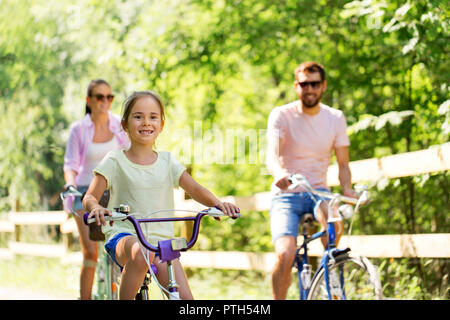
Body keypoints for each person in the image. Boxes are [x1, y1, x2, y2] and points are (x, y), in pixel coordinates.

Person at [82, 90, 240, 300]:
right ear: (125, 125)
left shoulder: (167, 161)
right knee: (142, 254)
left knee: (186, 301)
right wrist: (97, 208)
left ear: (161, 125)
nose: (146, 122)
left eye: (153, 117)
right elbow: (89, 197)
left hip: (161, 244)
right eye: (138, 116)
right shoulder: (115, 161)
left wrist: (218, 204)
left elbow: (194, 189)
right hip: (124, 237)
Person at [266, 61, 356, 300]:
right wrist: (279, 174)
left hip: (319, 192)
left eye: (315, 84)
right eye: (304, 84)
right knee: (285, 254)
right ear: (297, 86)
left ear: (323, 86)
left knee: (334, 241)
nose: (309, 89)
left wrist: (347, 189)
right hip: (286, 194)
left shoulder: (335, 118)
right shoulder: (281, 115)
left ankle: (334, 293)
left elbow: (344, 164)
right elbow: (272, 155)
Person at [63, 79, 130, 300]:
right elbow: (71, 165)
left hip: (115, 191)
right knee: (91, 252)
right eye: (99, 97)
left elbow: (131, 154)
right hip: (84, 191)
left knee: (120, 249)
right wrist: (70, 185)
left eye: (109, 97)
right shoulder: (79, 129)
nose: (105, 101)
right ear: (88, 100)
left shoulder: (119, 125)